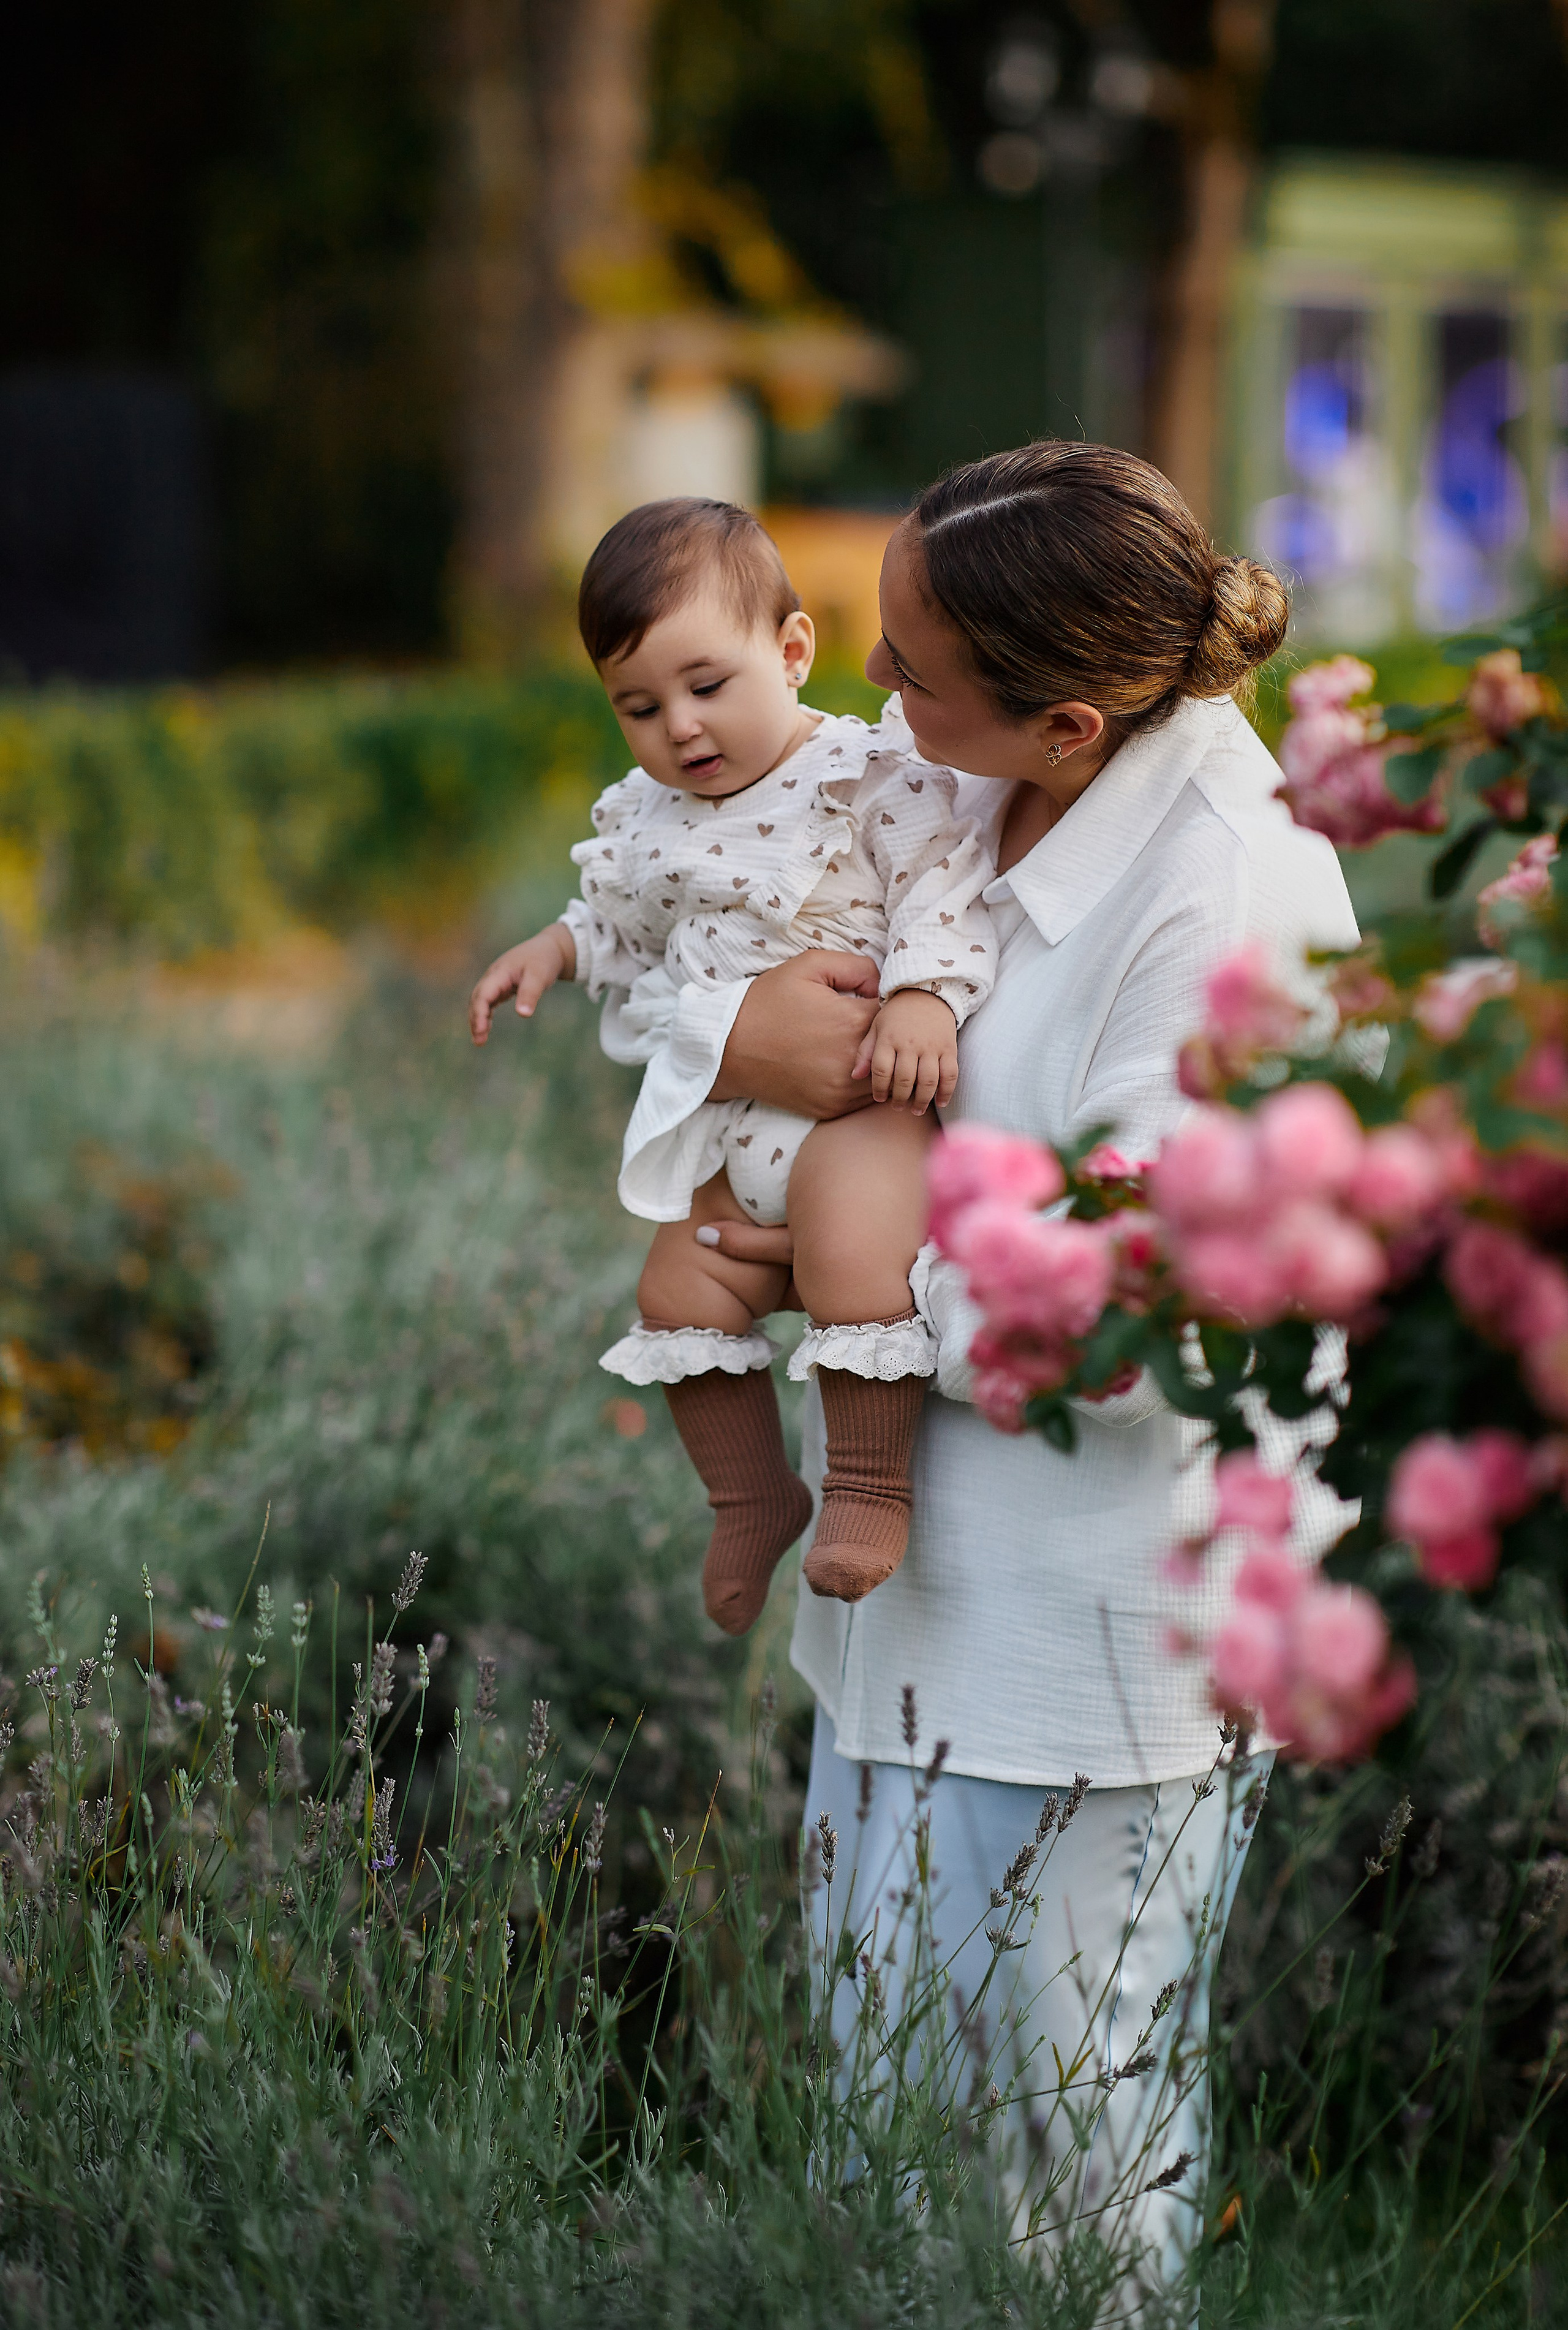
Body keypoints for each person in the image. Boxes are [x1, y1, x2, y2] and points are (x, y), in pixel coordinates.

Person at [668, 443, 1363, 2299]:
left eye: (910, 668)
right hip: (908, 1617)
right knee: (889, 2150)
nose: (868, 698)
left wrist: (846, 1295)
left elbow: (1170, 1317)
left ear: (1068, 715)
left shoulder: (1233, 907)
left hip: (1088, 1644)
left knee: (1066, 2172)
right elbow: (736, 941)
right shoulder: (971, 788)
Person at [469, 498, 998, 1637]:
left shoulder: (865, 775)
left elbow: (943, 882)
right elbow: (612, 918)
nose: (682, 729)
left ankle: (865, 1484)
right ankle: (751, 1496)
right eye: (641, 706)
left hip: (858, 1101)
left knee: (859, 1257)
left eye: (708, 686)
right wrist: (551, 952)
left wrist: (920, 996)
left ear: (793, 652)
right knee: (678, 1292)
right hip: (734, 1117)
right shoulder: (647, 816)